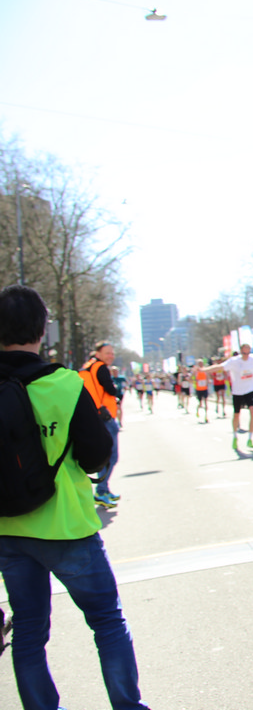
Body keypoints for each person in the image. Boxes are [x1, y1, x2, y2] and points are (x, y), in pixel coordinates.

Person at [0, 284, 152, 710]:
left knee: (29, 631)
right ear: (42, 329)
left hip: (8, 528)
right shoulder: (64, 383)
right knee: (106, 622)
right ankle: (127, 706)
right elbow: (95, 454)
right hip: (66, 525)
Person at [79, 341, 122, 509]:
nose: (111, 356)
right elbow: (111, 390)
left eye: (112, 353)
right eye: (107, 353)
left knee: (105, 455)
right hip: (105, 415)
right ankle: (101, 491)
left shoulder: (87, 367)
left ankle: (104, 489)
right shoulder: (101, 368)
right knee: (112, 456)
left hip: (95, 415)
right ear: (98, 354)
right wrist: (114, 388)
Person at [193, 359, 210, 423]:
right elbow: (192, 378)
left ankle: (206, 416)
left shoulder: (205, 370)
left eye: (201, 363)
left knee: (206, 402)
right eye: (199, 363)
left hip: (205, 388)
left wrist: (208, 381)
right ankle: (197, 411)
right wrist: (195, 380)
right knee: (200, 403)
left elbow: (208, 377)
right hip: (199, 389)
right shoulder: (196, 371)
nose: (201, 364)